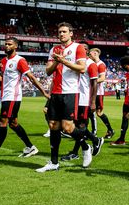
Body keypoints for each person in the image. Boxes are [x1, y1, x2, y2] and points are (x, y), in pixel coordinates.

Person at [36, 22, 98, 172]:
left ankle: (86, 146)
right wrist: (56, 60)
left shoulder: (78, 48)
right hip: (55, 93)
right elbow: (48, 71)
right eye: (59, 32)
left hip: (70, 92)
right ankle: (53, 162)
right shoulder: (54, 50)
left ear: (71, 33)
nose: (61, 34)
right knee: (53, 126)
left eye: (64, 31)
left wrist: (63, 60)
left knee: (68, 127)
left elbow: (82, 68)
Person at [0, 37, 49, 165]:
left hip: (13, 97)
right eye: (5, 44)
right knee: (13, 124)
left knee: (2, 123)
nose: (6, 46)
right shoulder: (4, 61)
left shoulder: (20, 60)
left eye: (9, 44)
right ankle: (30, 147)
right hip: (6, 96)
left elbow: (31, 77)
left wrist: (44, 92)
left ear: (16, 46)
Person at [61, 42, 104, 166]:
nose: (83, 50)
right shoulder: (76, 63)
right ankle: (95, 140)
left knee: (80, 126)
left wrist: (93, 102)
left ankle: (77, 151)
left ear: (88, 51)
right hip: (74, 97)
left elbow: (95, 83)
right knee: (74, 126)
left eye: (85, 48)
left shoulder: (91, 64)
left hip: (84, 100)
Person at [89, 48, 115, 139]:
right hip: (92, 91)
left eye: (90, 53)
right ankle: (95, 131)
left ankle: (108, 130)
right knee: (90, 112)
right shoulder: (92, 64)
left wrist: (90, 82)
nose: (89, 55)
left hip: (98, 92)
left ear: (95, 53)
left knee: (98, 113)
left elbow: (102, 78)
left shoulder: (101, 65)